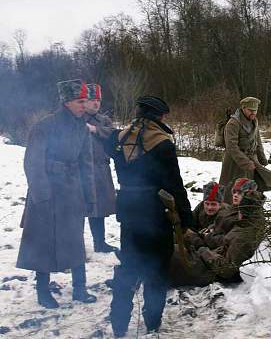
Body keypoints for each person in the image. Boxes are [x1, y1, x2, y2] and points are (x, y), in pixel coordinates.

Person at [107, 95, 193, 337]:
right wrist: (186, 218)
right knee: (156, 270)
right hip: (155, 213)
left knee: (129, 266)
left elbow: (105, 137)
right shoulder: (163, 143)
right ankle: (152, 323)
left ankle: (119, 324)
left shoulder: (119, 139)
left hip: (129, 211)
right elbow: (175, 185)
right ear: (160, 117)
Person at [17, 79, 97, 309]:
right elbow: (32, 163)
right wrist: (41, 195)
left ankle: (80, 289)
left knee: (75, 240)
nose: (85, 105)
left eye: (85, 101)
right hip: (47, 192)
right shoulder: (44, 126)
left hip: (72, 191)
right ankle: (43, 292)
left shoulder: (82, 129)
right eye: (80, 101)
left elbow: (86, 164)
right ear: (67, 102)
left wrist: (89, 197)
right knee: (43, 243)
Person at [169, 178, 264, 287]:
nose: (235, 195)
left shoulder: (243, 234)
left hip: (209, 267)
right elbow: (214, 230)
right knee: (170, 238)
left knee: (171, 253)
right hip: (208, 254)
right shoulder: (235, 213)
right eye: (234, 191)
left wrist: (203, 248)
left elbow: (227, 268)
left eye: (240, 192)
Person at [219, 96, 271, 203]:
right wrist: (245, 162)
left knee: (251, 188)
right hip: (234, 163)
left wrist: (262, 158)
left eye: (255, 110)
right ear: (243, 108)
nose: (253, 113)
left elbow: (257, 140)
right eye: (250, 110)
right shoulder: (233, 123)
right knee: (231, 190)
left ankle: (249, 210)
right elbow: (231, 147)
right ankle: (227, 212)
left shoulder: (254, 121)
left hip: (252, 160)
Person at [84, 83, 117, 253]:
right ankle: (73, 243)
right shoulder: (78, 118)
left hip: (101, 169)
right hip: (81, 171)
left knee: (100, 208)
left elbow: (113, 135)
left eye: (98, 100)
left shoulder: (104, 120)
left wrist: (95, 129)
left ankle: (100, 242)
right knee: (80, 208)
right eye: (91, 100)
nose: (96, 103)